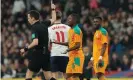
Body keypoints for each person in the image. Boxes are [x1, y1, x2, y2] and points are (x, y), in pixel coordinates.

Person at [20, 2, 56, 80]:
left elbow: (35, 42)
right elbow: (53, 19)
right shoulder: (44, 24)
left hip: (38, 53)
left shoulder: (34, 28)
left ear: (33, 18)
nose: (28, 19)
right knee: (48, 76)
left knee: (29, 73)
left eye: (29, 18)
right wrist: (53, 9)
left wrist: (25, 49)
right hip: (46, 53)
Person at [53, 13, 84, 80]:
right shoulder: (71, 30)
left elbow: (77, 45)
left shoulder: (77, 30)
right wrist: (59, 42)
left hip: (77, 57)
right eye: (67, 19)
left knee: (75, 75)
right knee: (67, 76)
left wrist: (67, 50)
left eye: (69, 19)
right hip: (72, 56)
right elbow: (70, 43)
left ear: (75, 20)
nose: (68, 20)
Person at [48, 11, 70, 80]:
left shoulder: (49, 29)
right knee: (66, 75)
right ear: (61, 17)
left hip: (54, 54)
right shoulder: (68, 28)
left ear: (53, 18)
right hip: (65, 54)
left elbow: (48, 45)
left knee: (54, 75)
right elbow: (70, 43)